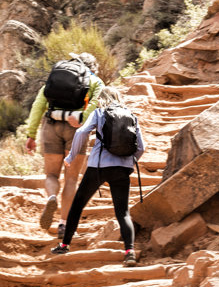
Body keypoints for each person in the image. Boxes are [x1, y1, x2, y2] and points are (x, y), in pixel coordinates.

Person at [51, 86, 145, 266]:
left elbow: (80, 132)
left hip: (98, 166)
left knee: (78, 205)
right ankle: (129, 252)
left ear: (102, 99)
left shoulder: (99, 113)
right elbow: (141, 148)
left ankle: (64, 245)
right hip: (122, 168)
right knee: (123, 212)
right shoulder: (132, 116)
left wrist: (71, 156)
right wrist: (128, 163)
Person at [24, 52, 104, 241]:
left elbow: (38, 104)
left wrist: (31, 134)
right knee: (71, 179)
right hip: (76, 130)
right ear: (93, 67)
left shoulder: (57, 76)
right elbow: (97, 104)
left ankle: (52, 197)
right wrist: (82, 119)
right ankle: (65, 224)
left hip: (51, 126)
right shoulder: (95, 81)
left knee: (51, 175)